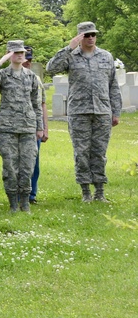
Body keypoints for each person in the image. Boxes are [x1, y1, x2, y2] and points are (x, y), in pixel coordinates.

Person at [46, 21, 122, 202]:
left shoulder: (106, 56)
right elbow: (50, 68)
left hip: (102, 111)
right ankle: (85, 191)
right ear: (79, 37)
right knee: (81, 152)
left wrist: (116, 111)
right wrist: (68, 47)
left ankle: (100, 192)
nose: (90, 38)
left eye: (93, 34)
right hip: (79, 112)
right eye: (86, 35)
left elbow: (113, 85)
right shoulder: (71, 56)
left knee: (99, 152)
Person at [0, 40, 44, 213]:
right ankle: (12, 204)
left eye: (22, 52)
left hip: (27, 128)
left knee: (27, 167)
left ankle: (25, 202)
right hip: (7, 129)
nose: (19, 55)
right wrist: (1, 61)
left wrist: (39, 127)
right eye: (15, 52)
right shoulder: (3, 75)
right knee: (10, 167)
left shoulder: (31, 76)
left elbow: (36, 103)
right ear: (9, 54)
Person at [23, 46, 49, 203]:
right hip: (18, 126)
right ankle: (19, 194)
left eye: (30, 60)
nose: (27, 62)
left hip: (35, 127)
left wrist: (45, 128)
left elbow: (43, 104)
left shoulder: (36, 79)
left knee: (34, 163)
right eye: (25, 58)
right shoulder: (7, 76)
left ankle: (32, 195)